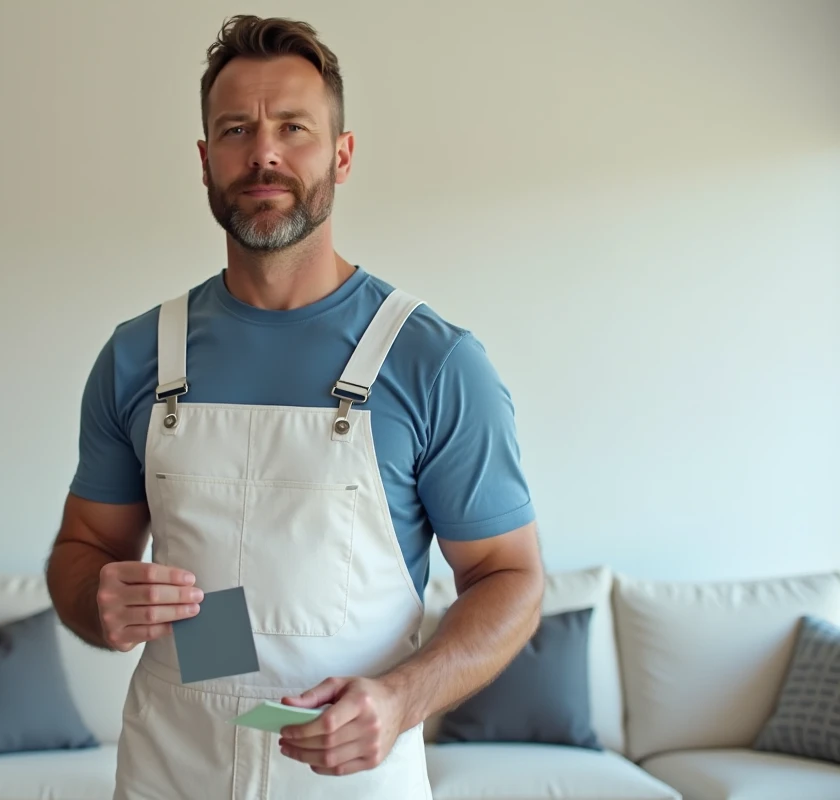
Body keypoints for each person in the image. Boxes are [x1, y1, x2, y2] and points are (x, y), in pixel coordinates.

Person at [47, 13, 544, 799]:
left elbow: (510, 577)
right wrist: (94, 600)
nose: (264, 152)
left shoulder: (435, 362)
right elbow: (81, 550)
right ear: (205, 160)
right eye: (237, 129)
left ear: (342, 155)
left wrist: (403, 698)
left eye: (294, 128)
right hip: (171, 774)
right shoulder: (141, 355)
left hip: (352, 780)